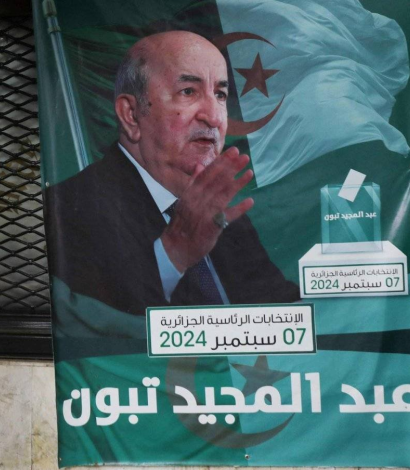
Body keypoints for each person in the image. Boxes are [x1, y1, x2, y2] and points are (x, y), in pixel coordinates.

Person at [46, 31, 299, 321]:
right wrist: (174, 252)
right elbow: (100, 333)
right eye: (188, 92)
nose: (215, 117)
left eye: (220, 94)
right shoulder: (67, 210)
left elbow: (280, 309)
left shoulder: (217, 207)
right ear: (131, 114)